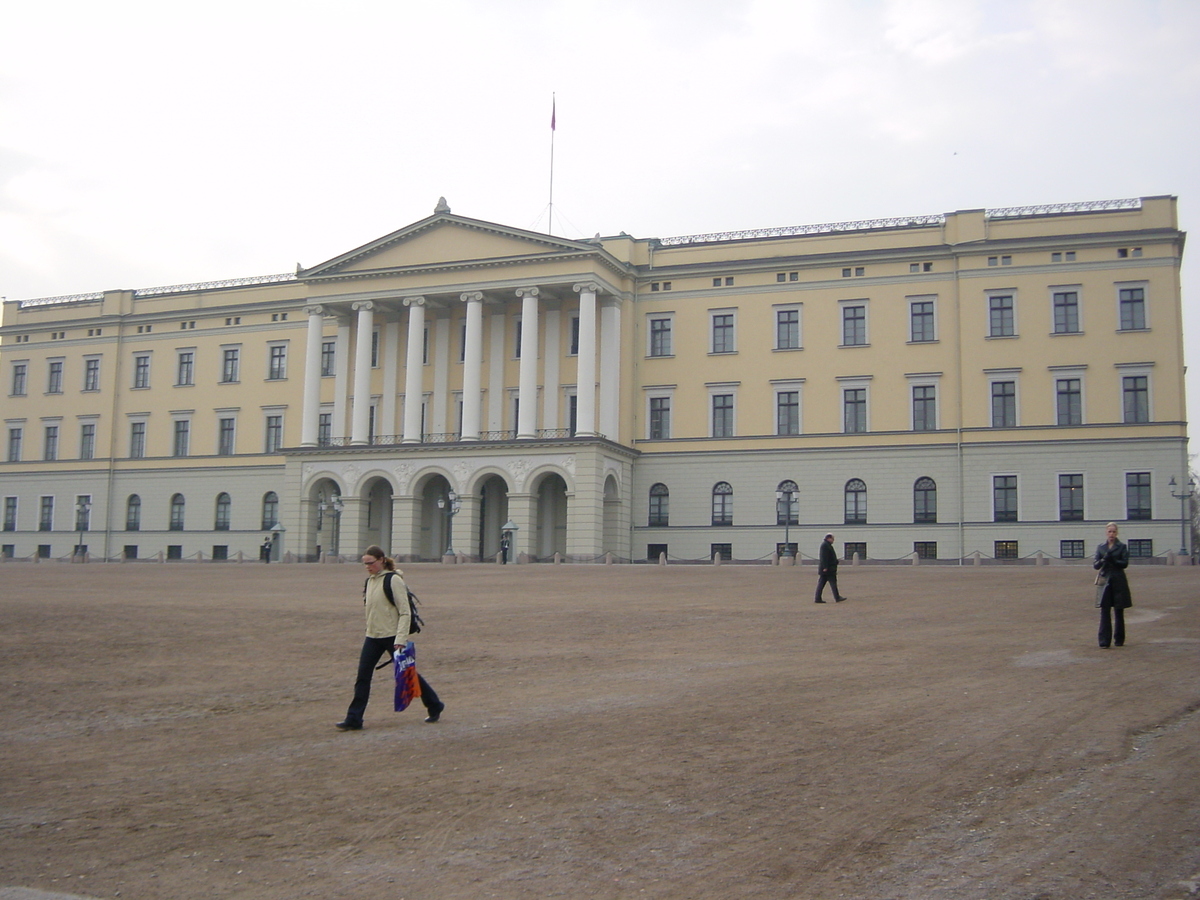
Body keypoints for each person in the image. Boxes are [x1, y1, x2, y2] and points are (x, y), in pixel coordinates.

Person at [336, 545, 445, 730]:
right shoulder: (369, 581)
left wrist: (400, 639)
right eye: (365, 564)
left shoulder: (393, 580)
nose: (367, 567)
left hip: (392, 636)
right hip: (373, 635)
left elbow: (405, 612)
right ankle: (354, 718)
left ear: (381, 560)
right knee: (363, 676)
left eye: (370, 563)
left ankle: (434, 704)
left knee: (408, 673)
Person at [1093, 522, 1132, 648]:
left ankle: (1119, 639)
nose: (1112, 534)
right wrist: (1104, 559)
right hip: (1105, 580)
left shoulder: (1122, 547)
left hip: (1118, 579)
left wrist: (1114, 560)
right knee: (1105, 610)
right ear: (1106, 532)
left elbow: (1124, 563)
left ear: (1117, 533)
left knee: (1119, 610)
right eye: (1109, 532)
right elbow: (1096, 565)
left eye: (1114, 532)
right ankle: (1104, 641)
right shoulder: (1101, 547)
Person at [814, 533, 847, 603]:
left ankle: (818, 598)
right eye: (832, 539)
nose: (833, 541)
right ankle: (837, 597)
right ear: (829, 538)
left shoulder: (827, 545)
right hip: (828, 569)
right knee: (832, 583)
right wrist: (825, 567)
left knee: (822, 584)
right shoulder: (825, 546)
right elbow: (824, 557)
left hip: (828, 568)